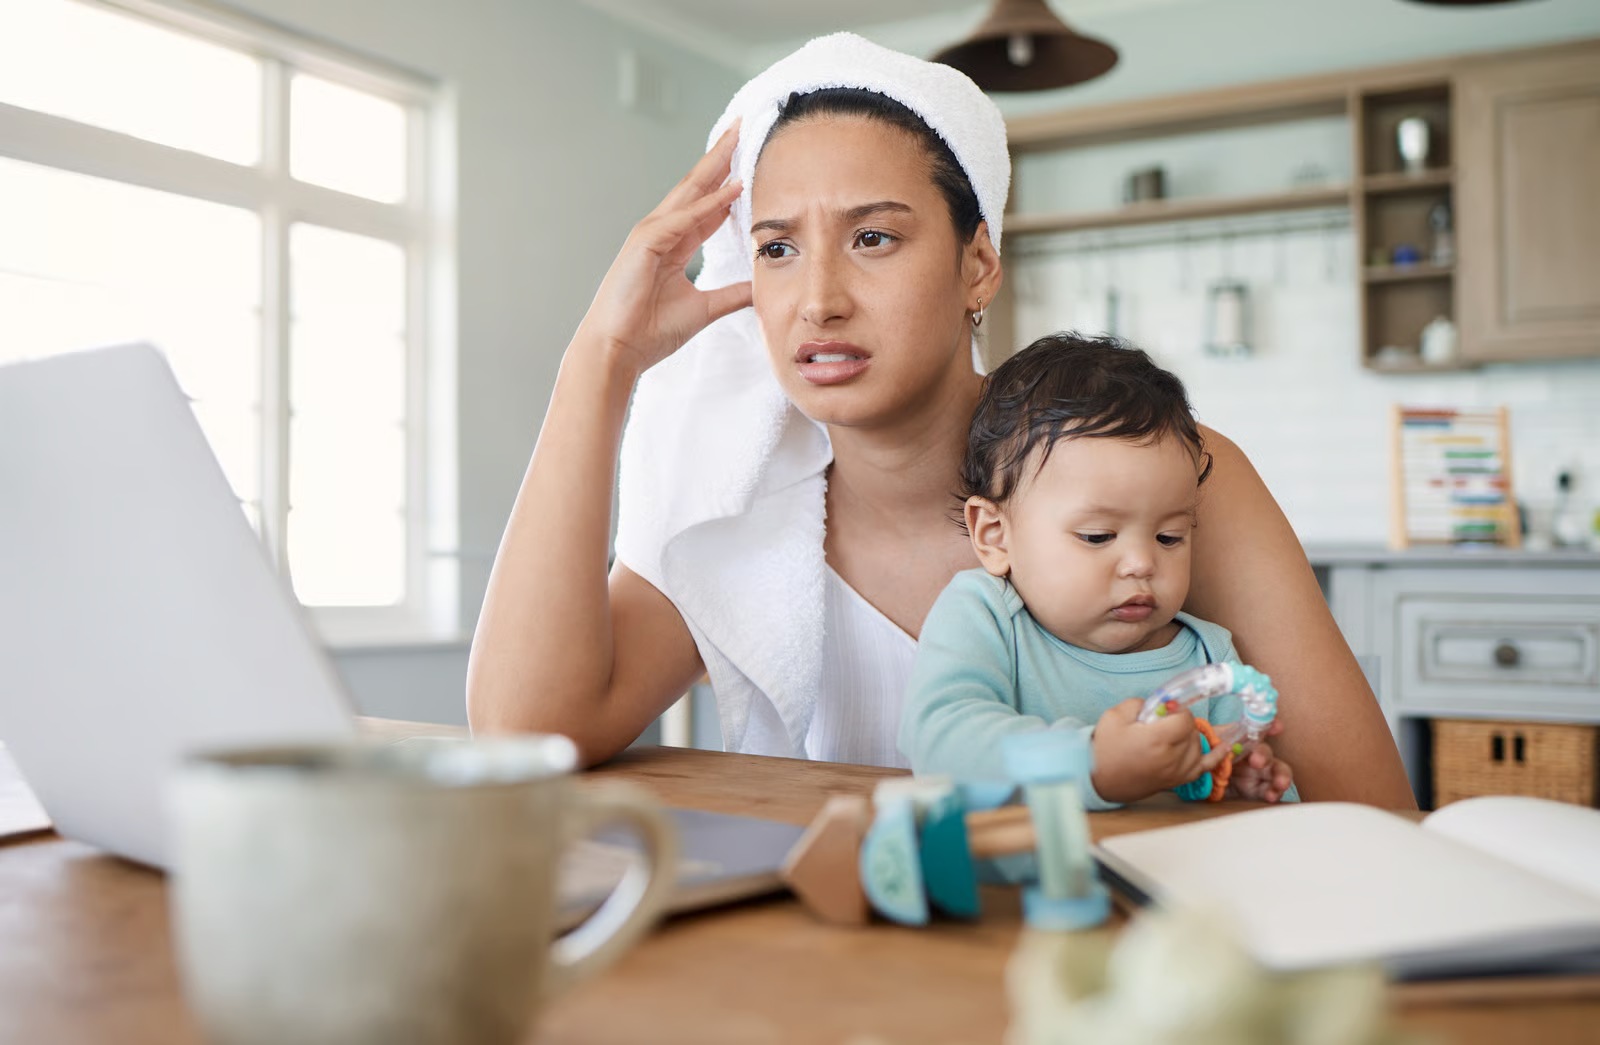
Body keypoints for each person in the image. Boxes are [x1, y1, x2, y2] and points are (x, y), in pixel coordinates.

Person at [466, 33, 1413, 809]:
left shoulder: (1171, 476)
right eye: (778, 247)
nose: (818, 300)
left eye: (873, 237)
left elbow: (1371, 816)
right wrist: (600, 362)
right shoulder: (738, 519)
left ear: (978, 265)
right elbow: (523, 731)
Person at [900, 333, 1295, 806]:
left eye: (1170, 537)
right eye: (1097, 537)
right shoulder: (985, 618)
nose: (1141, 563)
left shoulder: (1210, 657)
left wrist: (1240, 784)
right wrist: (1093, 762)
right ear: (994, 535)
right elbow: (939, 741)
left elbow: (1245, 806)